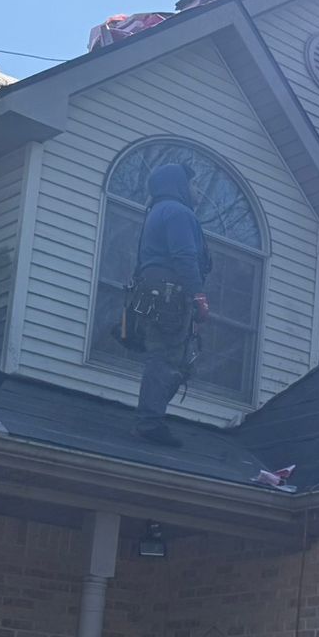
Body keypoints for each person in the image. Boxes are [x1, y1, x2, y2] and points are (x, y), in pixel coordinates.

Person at [124, 162, 210, 447]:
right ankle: (150, 422)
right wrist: (198, 295)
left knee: (177, 360)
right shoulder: (178, 212)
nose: (197, 191)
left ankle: (151, 417)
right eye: (194, 184)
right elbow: (184, 255)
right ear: (179, 185)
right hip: (170, 293)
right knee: (165, 358)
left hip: (155, 293)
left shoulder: (156, 213)